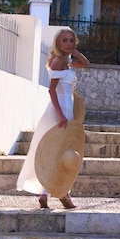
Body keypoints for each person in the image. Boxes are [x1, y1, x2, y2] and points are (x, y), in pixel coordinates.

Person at [17, 28, 90, 209]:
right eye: (64, 41)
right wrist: (60, 115)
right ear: (58, 43)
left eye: (71, 41)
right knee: (59, 152)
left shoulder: (68, 61)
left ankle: (46, 194)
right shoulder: (58, 62)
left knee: (61, 152)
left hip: (68, 108)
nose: (68, 44)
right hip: (60, 110)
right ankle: (63, 195)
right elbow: (51, 91)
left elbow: (86, 63)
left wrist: (72, 52)